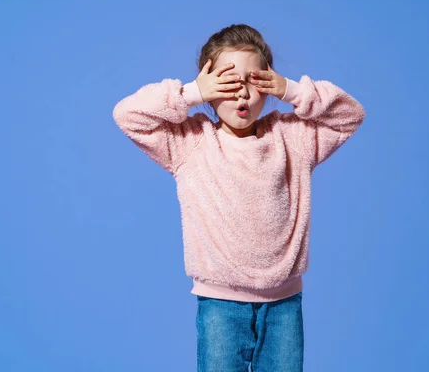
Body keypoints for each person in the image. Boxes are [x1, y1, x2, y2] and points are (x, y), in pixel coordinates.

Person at [113, 23, 365, 371]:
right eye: (228, 83)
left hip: (284, 304)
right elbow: (127, 115)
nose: (242, 94)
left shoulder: (293, 138)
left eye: (254, 81)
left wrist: (292, 90)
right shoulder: (191, 142)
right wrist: (189, 93)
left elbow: (350, 115)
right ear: (210, 87)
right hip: (220, 304)